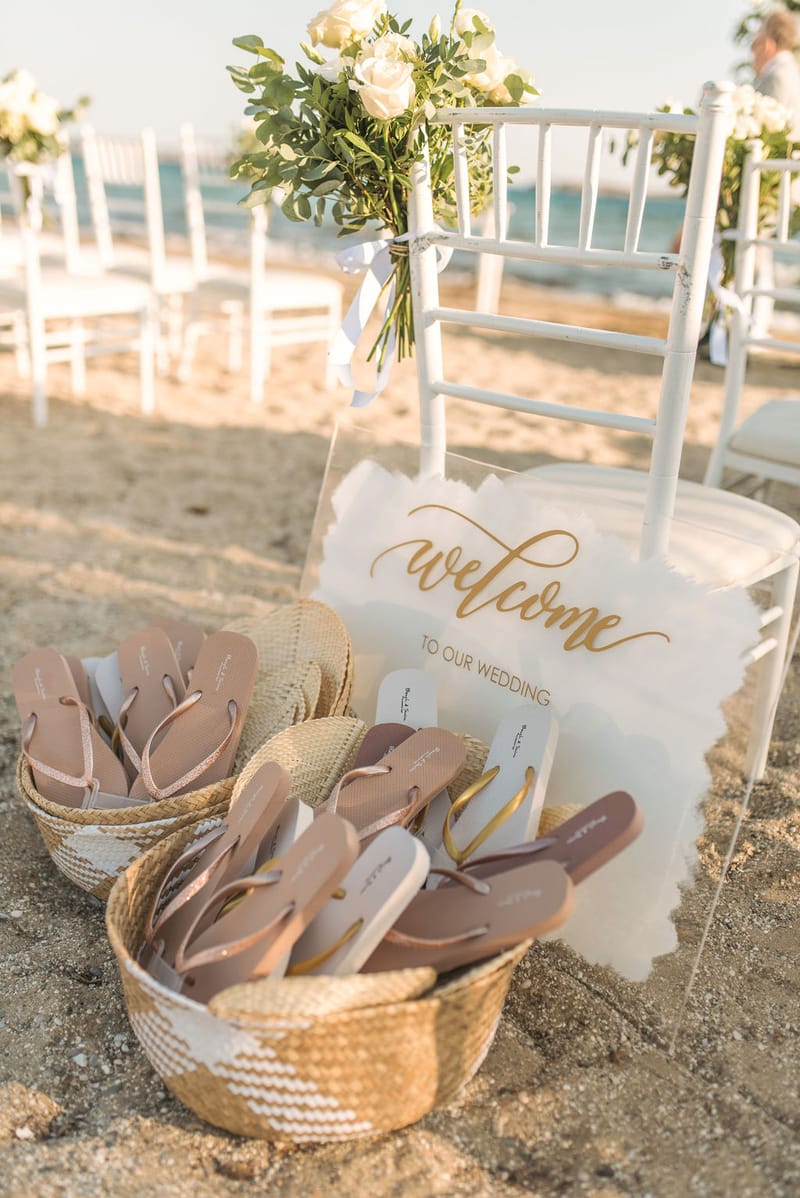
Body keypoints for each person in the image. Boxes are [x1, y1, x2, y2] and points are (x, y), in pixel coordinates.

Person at [752, 8, 800, 138]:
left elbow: (766, 134)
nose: (752, 53)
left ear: (767, 45)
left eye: (755, 43)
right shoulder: (792, 71)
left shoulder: (775, 77)